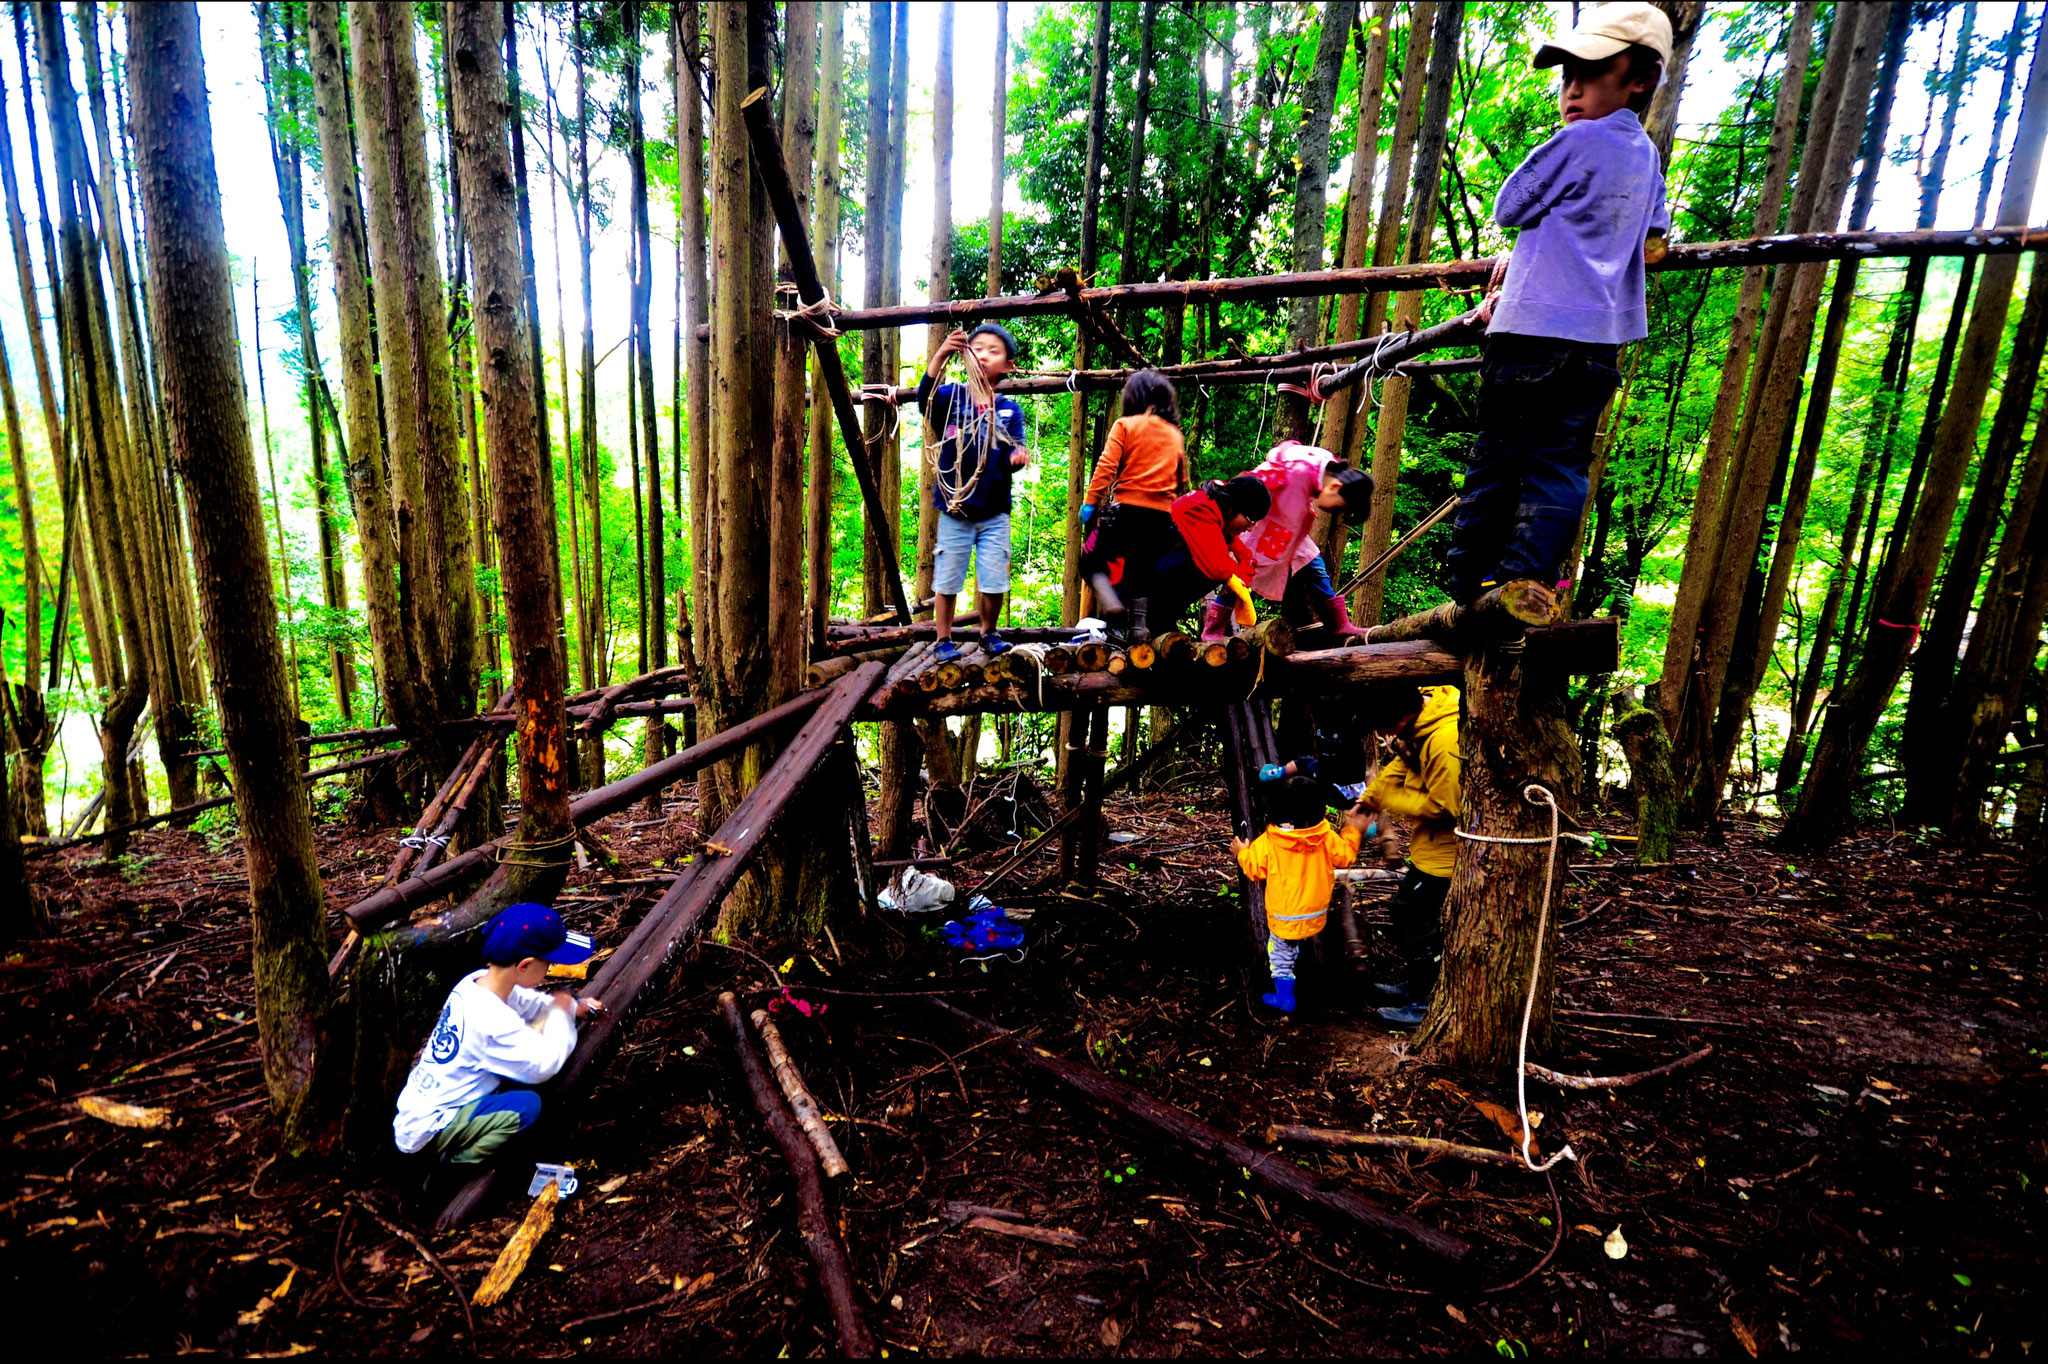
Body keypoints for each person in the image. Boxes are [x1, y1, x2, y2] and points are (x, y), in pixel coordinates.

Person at [1443, 1, 1671, 612]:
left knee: (1497, 457)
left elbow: (1510, 206)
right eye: (1567, 76)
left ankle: (1470, 587)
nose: (1572, 91)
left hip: (1529, 332)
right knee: (1561, 462)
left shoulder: (1575, 142)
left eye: (1591, 74)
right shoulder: (1646, 157)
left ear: (1639, 78)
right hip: (1598, 344)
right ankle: (1524, 578)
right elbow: (1655, 244)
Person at [392, 903, 601, 1170]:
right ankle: (450, 1166)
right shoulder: (490, 1019)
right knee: (526, 1105)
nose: (550, 969)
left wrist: (572, 1005)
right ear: (525, 965)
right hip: (433, 1129)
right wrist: (561, 1012)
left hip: (424, 1108)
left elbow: (527, 1003)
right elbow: (544, 1065)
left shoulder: (477, 982)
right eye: (548, 963)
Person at [916, 323, 1031, 663]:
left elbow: (1016, 450)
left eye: (993, 351)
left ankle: (988, 632)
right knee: (948, 578)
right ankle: (943, 639)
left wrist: (1017, 458)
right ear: (967, 353)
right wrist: (942, 353)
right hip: (955, 509)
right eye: (977, 347)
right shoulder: (951, 397)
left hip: (995, 511)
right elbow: (925, 399)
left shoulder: (1010, 410)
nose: (983, 354)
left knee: (995, 580)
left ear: (1007, 365)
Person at [1199, 440, 1375, 642]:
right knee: (1240, 573)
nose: (1335, 512)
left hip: (1287, 526)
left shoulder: (1324, 464)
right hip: (1261, 520)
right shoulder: (1305, 471)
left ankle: (1339, 625)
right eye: (1339, 507)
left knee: (1313, 563)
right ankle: (1212, 630)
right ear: (1336, 486)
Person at [1359, 686, 1463, 1028]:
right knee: (1407, 912)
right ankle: (1416, 986)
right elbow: (1400, 767)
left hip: (1448, 852)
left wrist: (1393, 801)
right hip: (1429, 847)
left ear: (1401, 717)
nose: (1385, 735)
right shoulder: (1418, 726)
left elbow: (1448, 805)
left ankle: (1426, 1001)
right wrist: (1370, 800)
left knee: (1414, 917)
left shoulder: (1444, 739)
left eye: (1386, 727)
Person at [1233, 775, 1369, 1014]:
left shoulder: (1269, 843)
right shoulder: (1326, 838)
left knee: (1280, 957)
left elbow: (1253, 870)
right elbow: (1346, 855)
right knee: (1296, 941)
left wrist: (1241, 852)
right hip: (1316, 916)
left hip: (1284, 919)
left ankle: (1285, 999)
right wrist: (1353, 830)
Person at [1078, 369, 1190, 634]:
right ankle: (1138, 628)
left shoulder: (1125, 426)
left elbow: (1106, 467)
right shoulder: (1175, 434)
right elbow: (1181, 479)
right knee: (1140, 571)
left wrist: (1091, 502)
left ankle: (1109, 601)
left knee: (1090, 559)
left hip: (1126, 512)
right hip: (1161, 518)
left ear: (1133, 399)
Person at [1121, 473, 1270, 640]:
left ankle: (1160, 619)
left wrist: (1241, 572)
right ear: (1234, 506)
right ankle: (1154, 620)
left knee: (1219, 568)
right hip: (1131, 590)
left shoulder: (1219, 511)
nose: (1250, 528)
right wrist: (1238, 576)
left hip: (1150, 576)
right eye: (1250, 520)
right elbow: (1220, 569)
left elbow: (1246, 556)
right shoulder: (1202, 509)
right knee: (1204, 568)